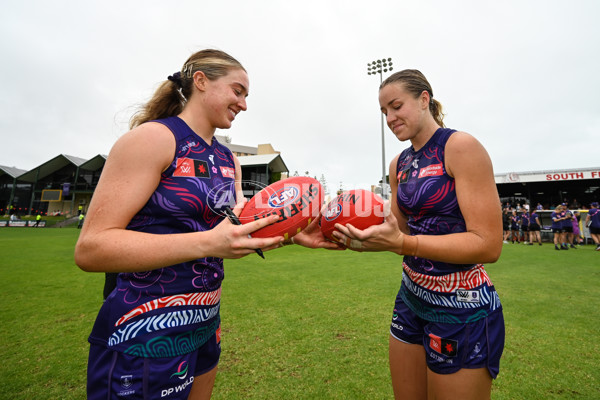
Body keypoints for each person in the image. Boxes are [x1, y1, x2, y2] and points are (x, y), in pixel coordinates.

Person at [74, 49, 337, 400]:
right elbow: (92, 249)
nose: (243, 104)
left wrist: (292, 235)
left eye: (246, 96)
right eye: (237, 91)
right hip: (142, 332)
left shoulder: (229, 160)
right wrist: (207, 243)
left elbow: (234, 236)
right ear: (200, 81)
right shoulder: (153, 139)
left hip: (203, 327)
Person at [333, 69, 504, 399]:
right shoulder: (398, 164)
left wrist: (404, 243)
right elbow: (395, 233)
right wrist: (345, 236)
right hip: (411, 298)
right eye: (384, 111)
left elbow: (488, 244)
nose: (390, 118)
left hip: (461, 307)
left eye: (396, 106)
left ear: (424, 99)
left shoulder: (460, 147)